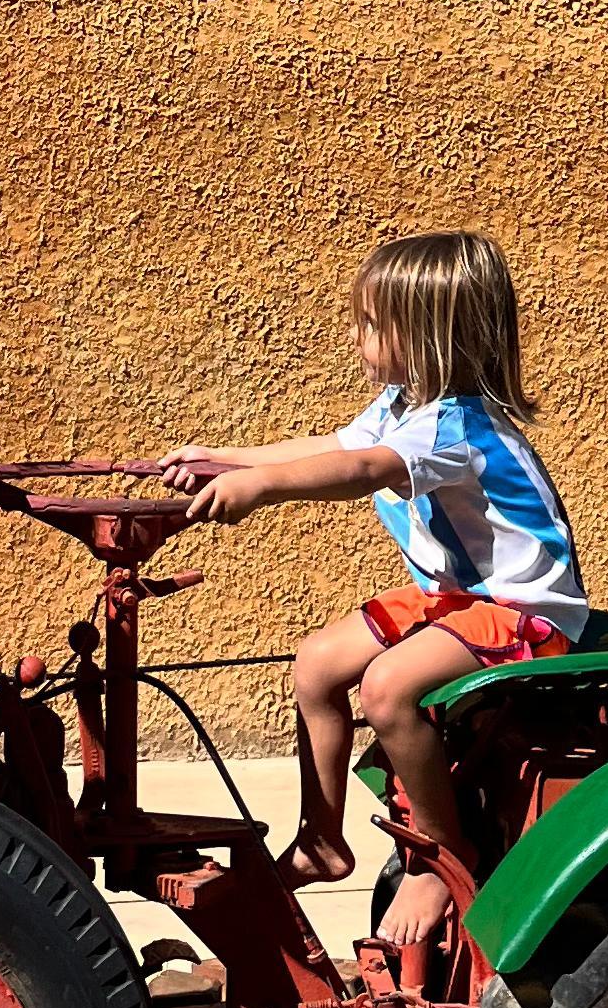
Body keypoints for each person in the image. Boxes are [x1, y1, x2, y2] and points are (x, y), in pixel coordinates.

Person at [158, 229, 584, 949]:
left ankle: (441, 857)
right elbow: (335, 448)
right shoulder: (401, 406)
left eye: (371, 324)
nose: (357, 337)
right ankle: (323, 840)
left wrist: (260, 489)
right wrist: (226, 458)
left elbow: (362, 473)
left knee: (387, 688)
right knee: (317, 663)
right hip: (457, 600)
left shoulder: (452, 428)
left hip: (523, 612)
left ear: (427, 336)